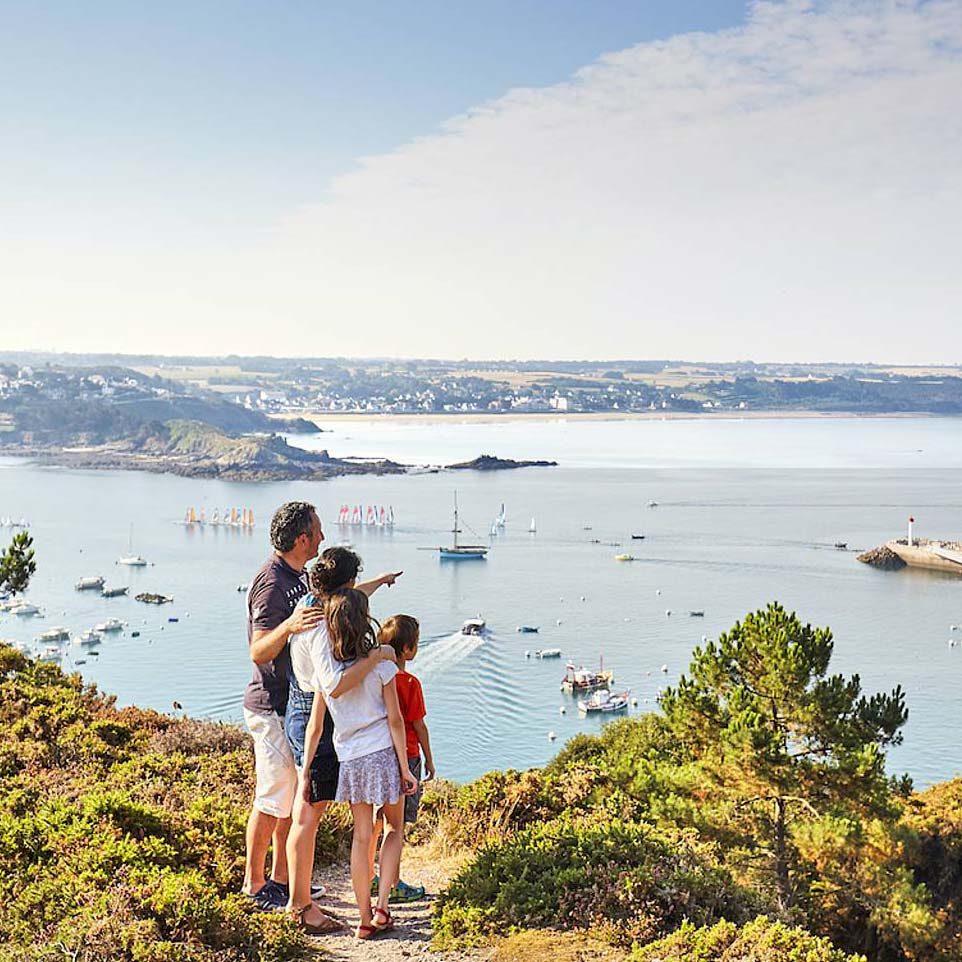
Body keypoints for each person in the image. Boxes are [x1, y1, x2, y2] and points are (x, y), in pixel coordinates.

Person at [284, 548, 401, 932]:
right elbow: (332, 685)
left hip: (332, 717)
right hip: (315, 708)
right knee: (309, 811)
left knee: (352, 820)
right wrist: (378, 656)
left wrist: (380, 582)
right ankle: (300, 905)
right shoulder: (319, 622)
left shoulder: (325, 604)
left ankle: (363, 907)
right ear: (344, 587)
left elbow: (353, 596)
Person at [300, 589, 417, 939]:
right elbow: (395, 721)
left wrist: (306, 770)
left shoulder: (328, 674)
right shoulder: (381, 666)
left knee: (362, 836)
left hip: (350, 758)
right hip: (383, 753)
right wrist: (406, 767)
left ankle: (364, 919)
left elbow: (316, 726)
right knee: (394, 829)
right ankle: (383, 907)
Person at [242, 502, 325, 910]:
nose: (323, 539)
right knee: (272, 797)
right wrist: (289, 625)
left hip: (290, 706)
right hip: (269, 706)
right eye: (318, 531)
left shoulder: (299, 575)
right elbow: (258, 650)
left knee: (291, 797)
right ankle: (254, 886)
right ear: (302, 538)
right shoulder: (271, 584)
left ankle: (283, 879)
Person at [370, 615, 434, 902]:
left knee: (376, 819)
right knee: (397, 827)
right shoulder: (409, 682)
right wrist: (429, 760)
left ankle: (371, 878)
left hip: (376, 755)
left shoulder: (371, 678)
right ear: (408, 650)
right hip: (405, 757)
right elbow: (418, 725)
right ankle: (393, 882)